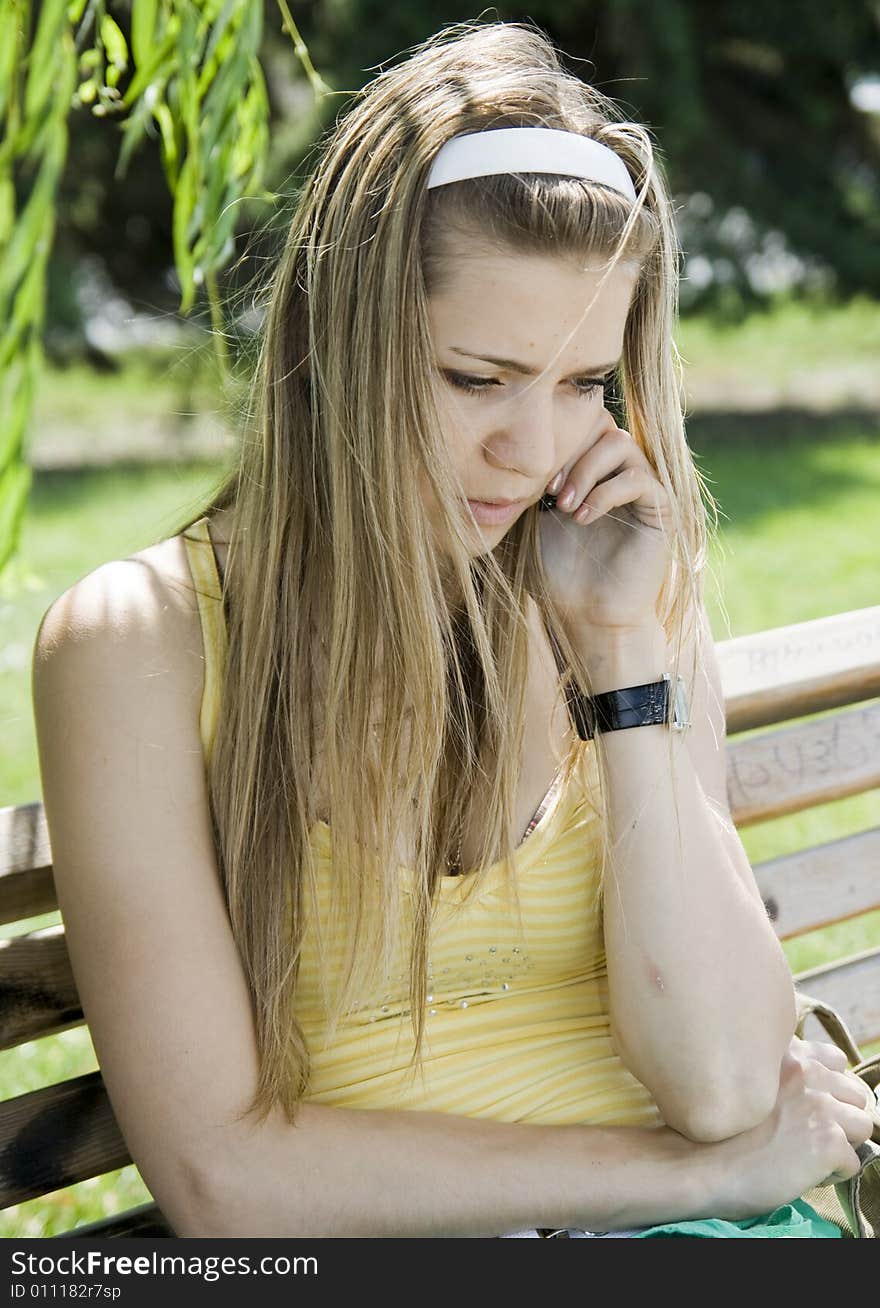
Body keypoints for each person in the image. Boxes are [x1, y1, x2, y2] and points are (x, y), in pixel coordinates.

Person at [31, 20, 875, 1239]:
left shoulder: (620, 593)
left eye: (584, 384)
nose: (531, 453)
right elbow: (222, 1179)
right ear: (344, 338)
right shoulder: (142, 640)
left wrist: (623, 660)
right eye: (478, 379)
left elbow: (728, 1083)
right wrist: (685, 1182)